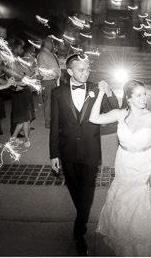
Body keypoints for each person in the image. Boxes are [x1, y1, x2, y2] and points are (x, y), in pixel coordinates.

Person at [90, 79, 151, 256]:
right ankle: (127, 246)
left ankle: (146, 249)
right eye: (139, 95)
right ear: (128, 98)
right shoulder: (120, 114)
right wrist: (101, 93)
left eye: (145, 94)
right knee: (125, 206)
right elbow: (94, 118)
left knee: (142, 207)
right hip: (124, 164)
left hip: (144, 165)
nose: (144, 98)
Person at [48, 55, 119, 256]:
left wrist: (110, 92)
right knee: (76, 192)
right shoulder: (57, 93)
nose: (86, 73)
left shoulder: (97, 88)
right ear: (69, 71)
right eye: (81, 70)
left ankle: (78, 234)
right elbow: (54, 125)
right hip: (67, 152)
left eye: (88, 69)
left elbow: (115, 110)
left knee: (86, 196)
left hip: (90, 152)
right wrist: (53, 154)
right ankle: (83, 217)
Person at [37, 37, 60, 129]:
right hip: (48, 81)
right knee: (48, 102)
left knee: (52, 102)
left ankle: (52, 120)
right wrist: (55, 74)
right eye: (50, 42)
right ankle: (48, 122)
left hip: (52, 81)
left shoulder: (49, 53)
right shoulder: (43, 54)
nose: (52, 44)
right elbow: (42, 70)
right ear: (45, 42)